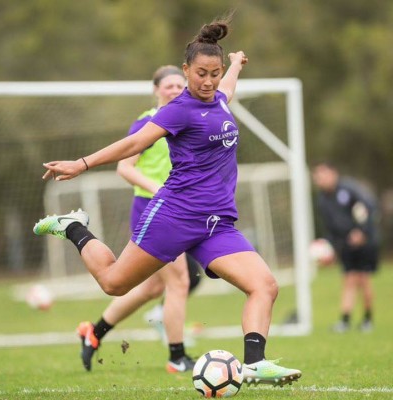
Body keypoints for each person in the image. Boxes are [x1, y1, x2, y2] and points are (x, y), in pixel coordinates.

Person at [34, 16, 302, 386]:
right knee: (114, 283)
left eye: (214, 74)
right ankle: (73, 227)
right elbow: (134, 144)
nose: (208, 81)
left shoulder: (220, 99)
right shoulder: (179, 109)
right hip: (175, 215)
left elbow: (226, 89)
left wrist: (235, 64)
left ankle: (255, 364)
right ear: (186, 70)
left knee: (264, 286)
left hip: (216, 224)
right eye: (201, 74)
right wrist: (82, 163)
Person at [77, 65, 202, 373]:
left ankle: (94, 332)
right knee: (181, 281)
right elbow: (125, 167)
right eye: (169, 86)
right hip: (154, 211)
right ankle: (177, 357)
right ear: (156, 89)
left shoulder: (187, 119)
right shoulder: (148, 123)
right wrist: (160, 191)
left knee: (151, 288)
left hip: (179, 210)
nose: (175, 90)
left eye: (180, 85)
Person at [311, 162, 380, 333]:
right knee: (348, 279)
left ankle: (367, 320)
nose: (320, 180)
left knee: (363, 279)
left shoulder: (349, 189)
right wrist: (330, 248)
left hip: (364, 243)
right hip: (346, 245)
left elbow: (369, 208)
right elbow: (330, 228)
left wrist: (362, 232)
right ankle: (345, 321)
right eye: (317, 178)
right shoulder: (322, 200)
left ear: (333, 173)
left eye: (323, 176)